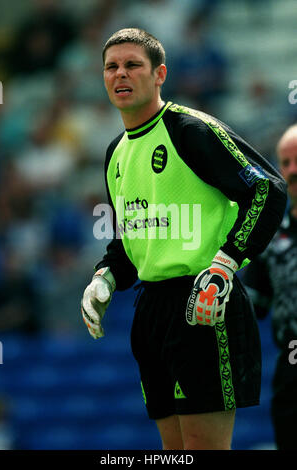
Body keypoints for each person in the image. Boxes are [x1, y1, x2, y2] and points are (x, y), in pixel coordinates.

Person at [81, 28, 287, 450]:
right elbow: (129, 241)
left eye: (133, 65)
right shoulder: (115, 153)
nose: (121, 74)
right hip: (151, 309)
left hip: (203, 303)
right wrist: (104, 277)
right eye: (111, 67)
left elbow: (268, 190)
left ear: (159, 74)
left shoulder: (190, 130)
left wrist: (226, 263)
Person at [242, 124, 297, 450]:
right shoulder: (270, 234)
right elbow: (253, 306)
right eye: (285, 163)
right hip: (291, 367)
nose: (293, 171)